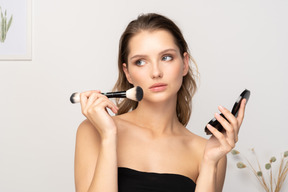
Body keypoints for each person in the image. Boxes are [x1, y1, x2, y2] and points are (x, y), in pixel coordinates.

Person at [74, 13, 247, 192]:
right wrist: (109, 136)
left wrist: (210, 163)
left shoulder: (207, 150)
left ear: (185, 63)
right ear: (128, 73)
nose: (156, 72)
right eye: (140, 62)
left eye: (166, 57)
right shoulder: (94, 131)